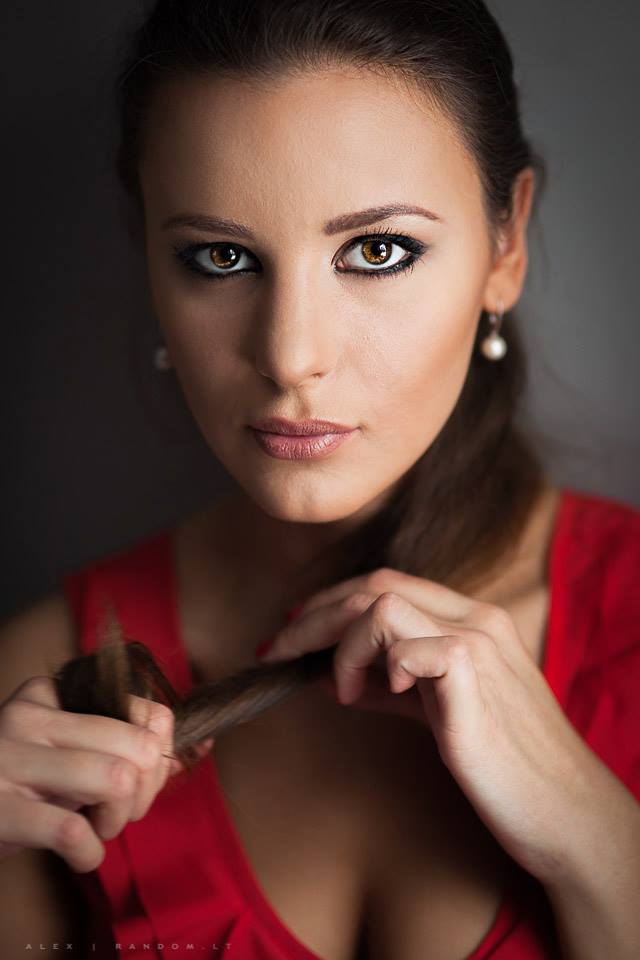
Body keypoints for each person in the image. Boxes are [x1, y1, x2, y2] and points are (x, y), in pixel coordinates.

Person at [0, 1, 638, 958]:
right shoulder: (37, 697)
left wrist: (597, 836)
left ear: (504, 247)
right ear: (149, 256)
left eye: (378, 251)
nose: (291, 355)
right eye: (220, 258)